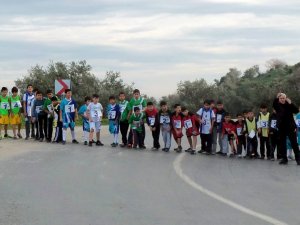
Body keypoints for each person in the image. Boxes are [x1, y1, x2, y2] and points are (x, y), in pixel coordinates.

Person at [273, 93, 300, 165]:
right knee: (282, 143)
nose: (282, 99)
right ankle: (284, 159)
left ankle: (298, 159)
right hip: (281, 127)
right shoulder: (277, 106)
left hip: (290, 127)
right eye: (281, 98)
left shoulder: (289, 105)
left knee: (294, 143)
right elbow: (274, 103)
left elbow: (296, 110)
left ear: (286, 98)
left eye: (283, 98)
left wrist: (291, 103)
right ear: (279, 99)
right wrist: (277, 96)